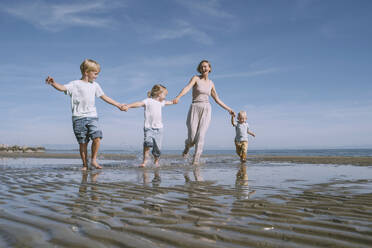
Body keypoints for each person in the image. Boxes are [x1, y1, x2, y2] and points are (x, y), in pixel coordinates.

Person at [45, 59, 123, 170]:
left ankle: (94, 160)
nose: (97, 76)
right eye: (95, 73)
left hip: (92, 117)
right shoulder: (75, 84)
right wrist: (53, 83)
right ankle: (85, 164)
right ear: (86, 72)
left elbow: (104, 97)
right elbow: (62, 88)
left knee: (97, 137)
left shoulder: (95, 85)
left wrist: (118, 105)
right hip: (78, 118)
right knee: (83, 143)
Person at [173, 60, 235, 165]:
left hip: (206, 109)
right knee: (192, 137)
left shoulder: (211, 83)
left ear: (209, 68)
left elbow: (217, 99)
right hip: (195, 107)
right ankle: (187, 147)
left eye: (205, 66)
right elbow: (187, 88)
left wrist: (229, 109)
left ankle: (195, 161)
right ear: (199, 69)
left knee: (201, 135)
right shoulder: (196, 78)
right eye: (201, 67)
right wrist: (178, 97)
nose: (203, 68)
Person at [121, 84, 175, 167]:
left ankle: (156, 161)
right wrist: (128, 105)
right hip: (148, 127)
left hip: (159, 129)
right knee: (147, 143)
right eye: (165, 94)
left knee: (157, 148)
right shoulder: (148, 101)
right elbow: (139, 103)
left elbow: (167, 102)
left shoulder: (161, 103)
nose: (165, 96)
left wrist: (173, 102)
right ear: (158, 93)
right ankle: (145, 161)